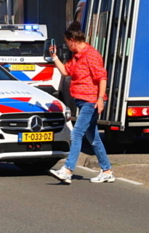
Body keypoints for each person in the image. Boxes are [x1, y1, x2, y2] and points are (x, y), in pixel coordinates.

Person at [48, 23, 114, 184]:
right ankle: (107, 171)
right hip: (81, 100)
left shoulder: (91, 55)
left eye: (66, 41)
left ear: (72, 40)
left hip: (90, 101)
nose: (67, 45)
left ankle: (68, 169)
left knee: (76, 133)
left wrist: (100, 99)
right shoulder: (77, 57)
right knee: (94, 139)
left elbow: (102, 78)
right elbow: (65, 71)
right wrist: (54, 57)